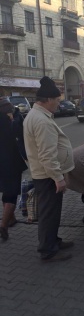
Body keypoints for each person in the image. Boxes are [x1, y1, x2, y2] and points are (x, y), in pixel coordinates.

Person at [23, 77, 75, 262]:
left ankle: (53, 241)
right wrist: (58, 178)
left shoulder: (38, 116)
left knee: (52, 212)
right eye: (58, 100)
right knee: (48, 213)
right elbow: (47, 154)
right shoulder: (41, 121)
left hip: (45, 174)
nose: (59, 104)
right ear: (48, 100)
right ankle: (48, 250)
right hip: (47, 176)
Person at [0, 98, 27, 240]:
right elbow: (19, 133)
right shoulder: (10, 123)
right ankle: (3, 225)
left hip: (2, 164)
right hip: (11, 162)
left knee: (6, 190)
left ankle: (11, 219)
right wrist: (16, 116)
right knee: (12, 193)